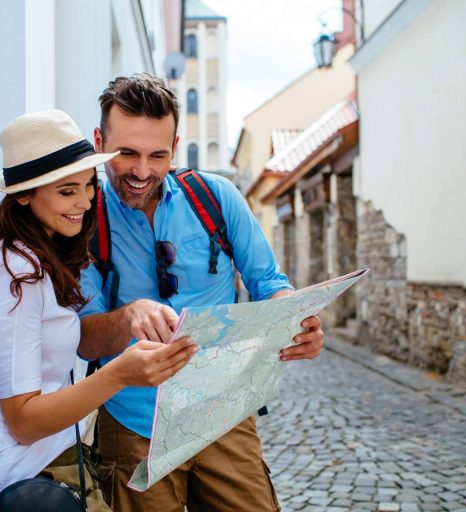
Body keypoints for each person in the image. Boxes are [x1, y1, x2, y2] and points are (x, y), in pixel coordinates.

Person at [77, 74, 325, 511]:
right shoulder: (81, 219)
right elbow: (82, 339)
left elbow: (269, 284)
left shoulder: (218, 197)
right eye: (126, 153)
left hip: (223, 411)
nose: (141, 171)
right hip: (135, 422)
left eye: (157, 155)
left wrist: (297, 320)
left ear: (175, 147)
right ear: (99, 141)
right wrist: (127, 316)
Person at [0, 109, 198, 512]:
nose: (84, 201)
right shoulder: (13, 278)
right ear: (24, 195)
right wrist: (120, 373)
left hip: (51, 468)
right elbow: (24, 421)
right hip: (25, 484)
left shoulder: (34, 261)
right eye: (67, 191)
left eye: (87, 186)